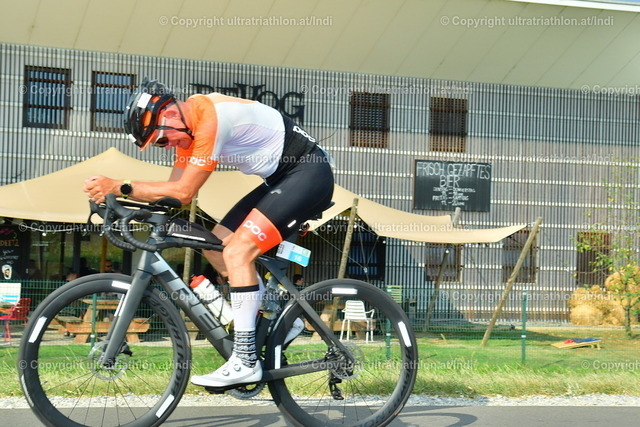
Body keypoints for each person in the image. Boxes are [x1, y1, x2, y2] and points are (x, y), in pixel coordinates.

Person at [83, 78, 334, 388]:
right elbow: (172, 194)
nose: (167, 146)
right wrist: (122, 203)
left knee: (237, 252)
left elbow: (184, 191)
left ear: (170, 114)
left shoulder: (211, 119)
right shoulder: (186, 134)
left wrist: (119, 186)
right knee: (216, 248)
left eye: (161, 140)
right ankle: (276, 323)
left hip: (308, 173)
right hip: (279, 179)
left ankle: (245, 360)